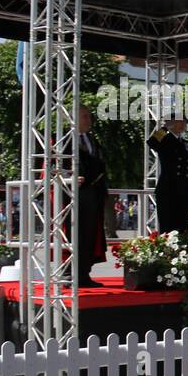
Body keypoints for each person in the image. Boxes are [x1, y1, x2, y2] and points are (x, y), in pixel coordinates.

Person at [75, 103, 109, 287]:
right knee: (76, 235)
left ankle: (84, 273)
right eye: (85, 116)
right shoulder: (64, 139)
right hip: (75, 194)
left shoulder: (92, 140)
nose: (89, 120)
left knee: (90, 234)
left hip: (93, 192)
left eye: (89, 116)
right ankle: (72, 273)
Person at [148, 117, 188, 234]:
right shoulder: (165, 140)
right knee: (167, 228)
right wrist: (165, 128)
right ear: (172, 124)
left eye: (184, 122)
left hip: (184, 191)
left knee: (183, 227)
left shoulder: (187, 144)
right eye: (180, 122)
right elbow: (151, 142)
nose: (183, 125)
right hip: (168, 190)